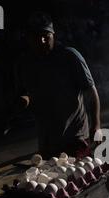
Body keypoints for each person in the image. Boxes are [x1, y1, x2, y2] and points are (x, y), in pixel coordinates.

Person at [14, 12, 101, 158]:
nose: (42, 41)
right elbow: (27, 92)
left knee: (82, 177)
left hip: (76, 137)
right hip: (47, 142)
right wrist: (25, 100)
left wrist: (96, 125)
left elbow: (91, 92)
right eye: (36, 37)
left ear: (53, 35)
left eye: (46, 36)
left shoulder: (69, 56)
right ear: (28, 39)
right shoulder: (25, 64)